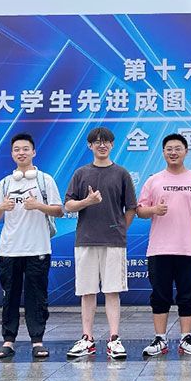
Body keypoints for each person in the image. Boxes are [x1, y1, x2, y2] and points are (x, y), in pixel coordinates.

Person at [63, 126, 137, 360]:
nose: (102, 145)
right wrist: (87, 201)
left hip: (113, 241)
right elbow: (68, 205)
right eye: (97, 142)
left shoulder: (121, 173)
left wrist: (120, 228)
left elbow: (131, 207)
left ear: (112, 145)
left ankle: (114, 338)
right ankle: (87, 338)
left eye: (106, 142)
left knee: (112, 290)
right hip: (86, 239)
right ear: (90, 146)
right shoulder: (81, 173)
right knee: (87, 291)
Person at [0, 133, 63, 360]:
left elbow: (59, 210)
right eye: (17, 149)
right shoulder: (5, 183)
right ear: (12, 154)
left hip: (37, 249)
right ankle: (8, 341)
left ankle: (37, 341)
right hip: (9, 249)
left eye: (25, 149)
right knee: (9, 296)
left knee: (37, 296)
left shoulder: (45, 180)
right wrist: (2, 208)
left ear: (34, 152)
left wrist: (38, 205)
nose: (21, 153)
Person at [135, 133, 191, 356]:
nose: (173, 152)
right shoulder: (154, 180)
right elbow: (140, 211)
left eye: (178, 148)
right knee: (160, 295)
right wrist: (154, 210)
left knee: (188, 294)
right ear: (163, 152)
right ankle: (160, 338)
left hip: (188, 248)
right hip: (159, 248)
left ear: (186, 151)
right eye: (169, 149)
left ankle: (186, 338)